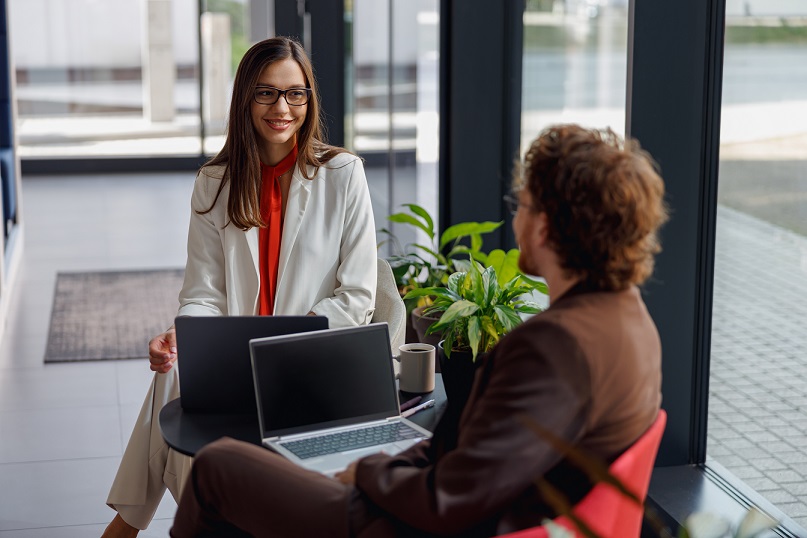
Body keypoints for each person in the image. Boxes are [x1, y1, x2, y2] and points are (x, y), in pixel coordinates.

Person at [169, 123, 669, 537]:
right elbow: (474, 458)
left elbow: (450, 500)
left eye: (524, 203)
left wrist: (366, 472)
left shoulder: (554, 347)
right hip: (473, 509)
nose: (516, 215)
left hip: (405, 527)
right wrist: (391, 460)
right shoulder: (630, 320)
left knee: (218, 466)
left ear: (543, 227)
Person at [102, 37, 378, 537]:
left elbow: (357, 297)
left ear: (310, 100)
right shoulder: (214, 181)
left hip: (309, 362)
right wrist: (183, 335)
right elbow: (204, 294)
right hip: (238, 367)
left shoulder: (343, 174)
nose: (282, 108)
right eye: (266, 93)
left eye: (296, 94)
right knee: (174, 368)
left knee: (169, 396)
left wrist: (289, 337)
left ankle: (132, 526)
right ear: (244, 99)